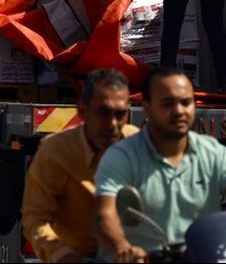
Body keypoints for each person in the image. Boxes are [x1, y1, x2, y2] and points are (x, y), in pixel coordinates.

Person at [94, 67, 226, 261]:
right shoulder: (121, 156)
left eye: (186, 102)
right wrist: (123, 249)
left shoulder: (214, 153)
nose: (179, 111)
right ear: (147, 106)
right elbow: (104, 216)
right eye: (167, 103)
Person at [21, 69, 138, 263]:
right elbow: (35, 219)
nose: (113, 124)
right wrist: (62, 255)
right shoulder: (56, 151)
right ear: (82, 111)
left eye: (120, 114)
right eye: (103, 112)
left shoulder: (136, 144)